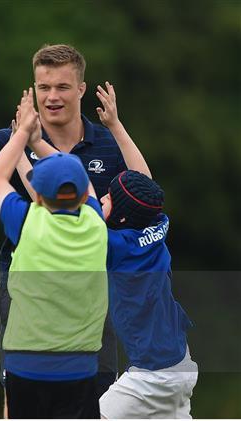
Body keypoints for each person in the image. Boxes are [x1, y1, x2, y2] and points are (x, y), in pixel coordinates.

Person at [0, 44, 125, 401]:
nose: (52, 97)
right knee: (19, 396)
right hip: (26, 298)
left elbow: (142, 194)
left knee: (99, 400)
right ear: (33, 88)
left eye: (62, 87)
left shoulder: (109, 144)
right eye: (43, 87)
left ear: (81, 90)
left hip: (90, 301)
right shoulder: (8, 139)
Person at [0, 88, 108, 418]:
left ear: (38, 196)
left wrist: (22, 134)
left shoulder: (25, 221)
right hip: (79, 368)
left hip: (25, 364)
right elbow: (85, 189)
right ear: (84, 195)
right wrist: (39, 142)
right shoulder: (96, 224)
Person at [93, 82, 198, 418]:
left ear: (122, 216)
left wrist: (29, 143)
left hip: (153, 376)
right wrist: (115, 125)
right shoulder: (158, 223)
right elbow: (143, 180)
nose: (102, 198)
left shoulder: (115, 246)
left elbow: (73, 195)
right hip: (180, 361)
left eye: (108, 198)